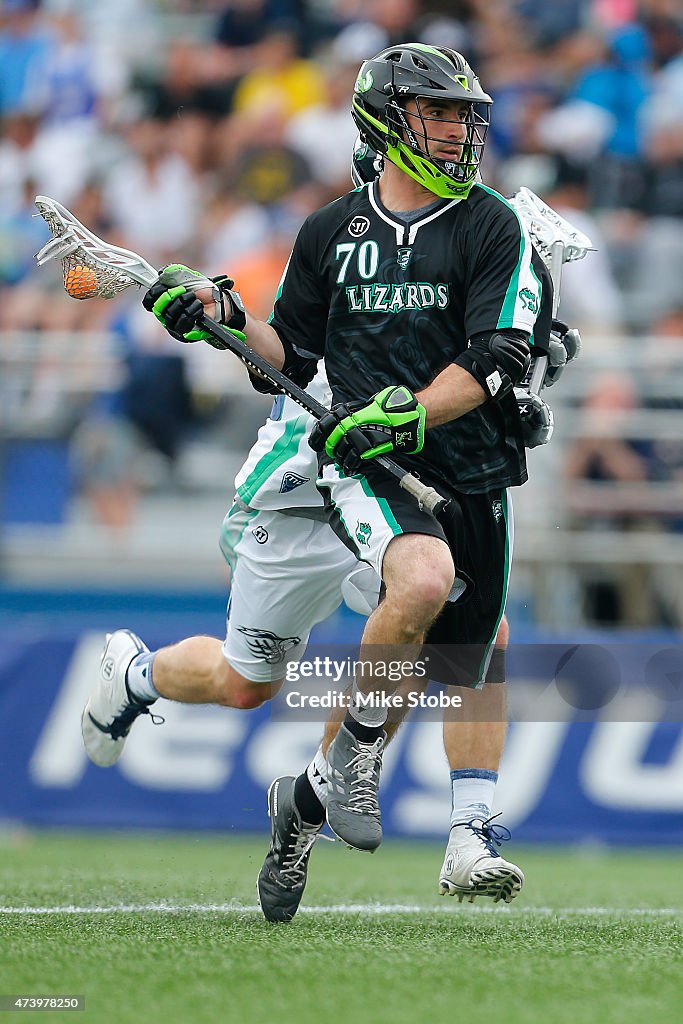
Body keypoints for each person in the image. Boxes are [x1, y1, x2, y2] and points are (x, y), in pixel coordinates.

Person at [134, 44, 558, 915]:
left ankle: (312, 801)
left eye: (462, 116)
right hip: (364, 464)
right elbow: (286, 353)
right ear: (387, 119)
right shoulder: (329, 230)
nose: (456, 131)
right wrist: (217, 316)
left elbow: (494, 358)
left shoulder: (490, 223)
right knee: (416, 589)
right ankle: (384, 778)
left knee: (469, 652)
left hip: (466, 464)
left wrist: (411, 409)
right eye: (437, 114)